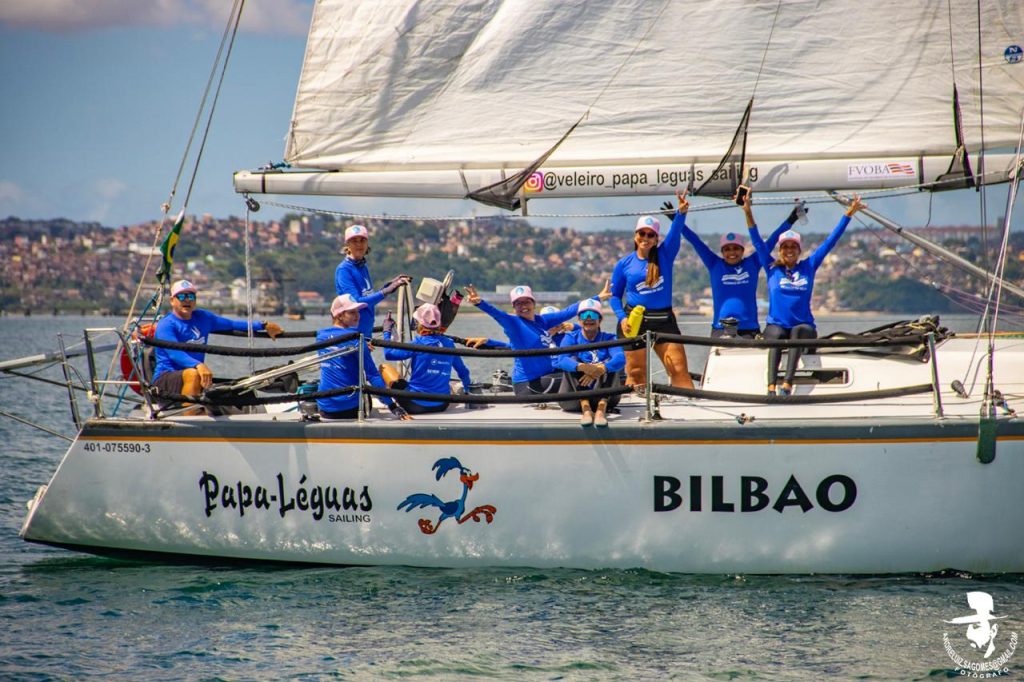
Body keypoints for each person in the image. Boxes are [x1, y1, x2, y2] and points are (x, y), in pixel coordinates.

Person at [750, 195, 867, 395]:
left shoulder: (808, 266)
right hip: (776, 326)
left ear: (798, 250)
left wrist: (848, 214)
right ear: (780, 250)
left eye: (792, 246)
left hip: (803, 327)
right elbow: (757, 242)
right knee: (777, 334)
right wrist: (746, 211)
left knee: (798, 333)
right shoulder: (772, 268)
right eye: (785, 247)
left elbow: (830, 242)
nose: (789, 250)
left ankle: (787, 384)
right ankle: (770, 387)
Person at [679, 190, 798, 337]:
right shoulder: (714, 264)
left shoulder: (753, 263)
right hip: (720, 329)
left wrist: (790, 220)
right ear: (722, 252)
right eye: (727, 249)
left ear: (742, 250)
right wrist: (678, 219)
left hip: (749, 329)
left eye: (736, 248)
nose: (732, 252)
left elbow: (772, 240)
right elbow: (695, 241)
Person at [608, 189, 694, 389]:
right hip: (634, 321)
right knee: (636, 373)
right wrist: (622, 318)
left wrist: (681, 213)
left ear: (656, 238)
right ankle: (637, 415)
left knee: (679, 370)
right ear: (635, 235)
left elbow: (675, 232)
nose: (645, 237)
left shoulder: (665, 254)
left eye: (650, 234)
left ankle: (690, 410)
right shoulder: (624, 264)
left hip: (663, 320)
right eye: (642, 233)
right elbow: (614, 297)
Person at [151, 279, 283, 408]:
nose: (187, 300)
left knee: (232, 388)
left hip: (196, 376)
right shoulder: (166, 325)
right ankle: (191, 419)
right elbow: (175, 354)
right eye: (181, 296)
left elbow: (232, 324)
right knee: (193, 373)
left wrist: (263, 325)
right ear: (172, 301)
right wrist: (199, 365)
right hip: (164, 380)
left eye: (191, 296)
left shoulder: (203, 318)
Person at [463, 284, 601, 397]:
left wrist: (597, 298)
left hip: (546, 377)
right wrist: (480, 303)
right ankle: (596, 406)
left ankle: (595, 403)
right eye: (518, 303)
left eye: (527, 302)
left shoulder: (543, 321)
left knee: (580, 368)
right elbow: (497, 314)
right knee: (578, 375)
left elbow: (568, 311)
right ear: (514, 307)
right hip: (528, 385)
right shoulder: (514, 323)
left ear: (534, 303)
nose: (523, 306)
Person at [316, 294, 411, 420]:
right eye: (352, 312)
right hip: (350, 409)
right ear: (339, 315)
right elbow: (373, 375)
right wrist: (392, 406)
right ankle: (383, 401)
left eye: (358, 311)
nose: (358, 316)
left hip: (324, 408)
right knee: (371, 383)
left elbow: (339, 352)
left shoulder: (320, 336)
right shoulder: (356, 338)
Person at [378, 303, 473, 414]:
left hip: (413, 404)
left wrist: (387, 332)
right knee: (447, 384)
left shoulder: (418, 343)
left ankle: (384, 399)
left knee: (384, 367)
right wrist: (467, 392)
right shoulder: (449, 343)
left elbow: (388, 354)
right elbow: (463, 372)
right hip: (442, 405)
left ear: (419, 323)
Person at [553, 299, 626, 427]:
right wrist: (583, 367)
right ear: (579, 320)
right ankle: (585, 408)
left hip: (606, 397)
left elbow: (620, 358)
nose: (588, 319)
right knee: (572, 361)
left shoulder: (610, 338)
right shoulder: (571, 337)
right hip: (573, 398)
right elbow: (562, 360)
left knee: (609, 363)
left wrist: (600, 368)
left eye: (592, 315)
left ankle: (600, 410)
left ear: (600, 320)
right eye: (584, 315)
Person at [334, 224, 412, 338]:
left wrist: (390, 285)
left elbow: (369, 296)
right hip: (352, 336)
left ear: (367, 244)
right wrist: (385, 292)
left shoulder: (362, 267)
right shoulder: (344, 270)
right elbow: (356, 303)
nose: (359, 244)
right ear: (347, 245)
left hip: (365, 334)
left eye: (362, 240)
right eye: (354, 241)